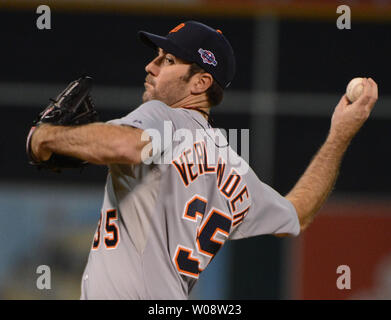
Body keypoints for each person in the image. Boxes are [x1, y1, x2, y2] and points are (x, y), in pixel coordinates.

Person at [29, 21, 378, 299]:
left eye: (167, 60)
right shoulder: (235, 170)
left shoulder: (164, 116)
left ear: (200, 83)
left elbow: (126, 146)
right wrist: (339, 135)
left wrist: (45, 137)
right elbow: (298, 214)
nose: (150, 66)